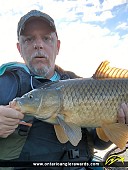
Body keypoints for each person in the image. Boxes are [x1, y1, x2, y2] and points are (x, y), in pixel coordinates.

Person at [0, 9, 127, 170]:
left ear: (57, 46)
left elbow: (99, 143)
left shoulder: (80, 82)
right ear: (19, 48)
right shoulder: (4, 83)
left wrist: (119, 122)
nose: (38, 45)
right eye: (29, 39)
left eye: (46, 38)